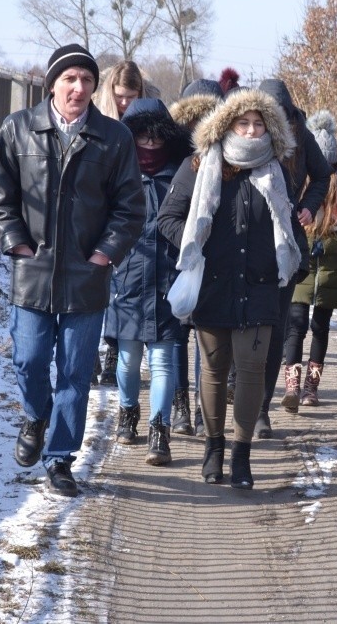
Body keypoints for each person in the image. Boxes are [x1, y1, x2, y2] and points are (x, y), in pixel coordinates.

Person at [0, 43, 145, 497]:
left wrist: (104, 254)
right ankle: (36, 414)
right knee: (30, 359)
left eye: (87, 80)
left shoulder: (114, 139)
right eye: (70, 78)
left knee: (75, 372)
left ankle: (60, 461)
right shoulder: (18, 129)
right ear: (52, 83)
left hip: (87, 276)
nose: (78, 87)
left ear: (96, 88)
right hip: (33, 271)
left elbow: (130, 209)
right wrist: (17, 243)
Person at [160, 88, 302, 489]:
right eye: (244, 123)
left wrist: (289, 260)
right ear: (227, 125)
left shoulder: (276, 170)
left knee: (252, 370)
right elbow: (167, 218)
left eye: (259, 123)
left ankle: (242, 453)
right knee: (214, 369)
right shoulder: (199, 164)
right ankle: (213, 447)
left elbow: (287, 227)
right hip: (214, 284)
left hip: (259, 288)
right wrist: (194, 246)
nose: (252, 130)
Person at [103, 98, 192, 465]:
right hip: (127, 278)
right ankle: (128, 411)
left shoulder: (183, 174)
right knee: (127, 361)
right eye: (143, 137)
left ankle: (160, 430)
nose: (150, 145)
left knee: (163, 362)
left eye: (157, 138)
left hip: (169, 278)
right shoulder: (116, 173)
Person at [253, 79, 334, 438]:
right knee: (242, 328)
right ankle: (236, 388)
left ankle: (261, 410)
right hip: (245, 243)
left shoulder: (301, 135)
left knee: (274, 330)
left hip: (286, 247)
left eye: (280, 118)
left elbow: (323, 175)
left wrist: (309, 206)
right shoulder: (247, 130)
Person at [282, 110, 337, 410]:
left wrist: (331, 242)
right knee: (296, 323)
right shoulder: (299, 176)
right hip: (302, 258)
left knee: (321, 326)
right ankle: (291, 386)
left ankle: (311, 387)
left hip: (330, 266)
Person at [165, 77, 225, 438]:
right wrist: (192, 246)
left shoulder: (232, 157)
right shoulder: (181, 157)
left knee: (207, 339)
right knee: (177, 336)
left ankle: (201, 411)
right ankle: (181, 406)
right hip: (177, 260)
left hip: (215, 266)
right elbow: (167, 213)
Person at [94, 60, 157, 387]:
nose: (124, 103)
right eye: (119, 96)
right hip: (101, 205)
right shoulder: (99, 115)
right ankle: (96, 354)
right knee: (99, 285)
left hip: (135, 206)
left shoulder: (150, 114)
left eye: (130, 96)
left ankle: (113, 354)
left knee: (125, 286)